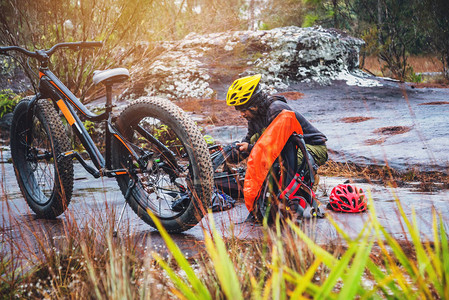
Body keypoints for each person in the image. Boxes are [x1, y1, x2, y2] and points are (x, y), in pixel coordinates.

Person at [226, 74, 328, 222]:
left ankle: (302, 192)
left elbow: (280, 149)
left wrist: (250, 148)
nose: (242, 114)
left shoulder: (277, 110)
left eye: (243, 109)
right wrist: (232, 153)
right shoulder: (254, 117)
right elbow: (249, 139)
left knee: (287, 163)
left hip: (312, 147)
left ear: (254, 104)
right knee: (257, 139)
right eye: (239, 110)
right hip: (288, 148)